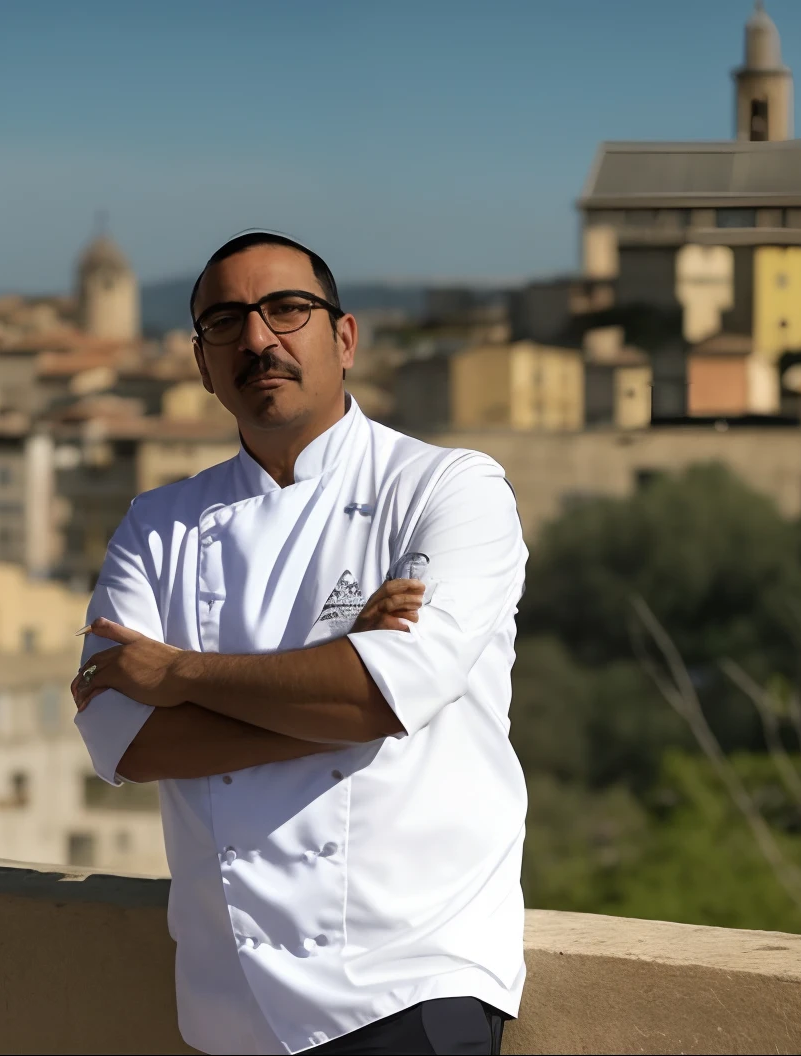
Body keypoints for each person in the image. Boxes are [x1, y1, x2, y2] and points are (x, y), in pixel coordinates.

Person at [70, 231, 528, 1055]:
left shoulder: (448, 488)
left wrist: (178, 672)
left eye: (287, 310)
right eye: (224, 323)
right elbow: (124, 741)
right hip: (227, 1006)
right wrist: (343, 688)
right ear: (203, 365)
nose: (256, 339)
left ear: (344, 339)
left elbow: (378, 693)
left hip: (412, 987)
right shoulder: (157, 526)